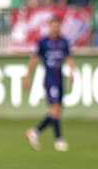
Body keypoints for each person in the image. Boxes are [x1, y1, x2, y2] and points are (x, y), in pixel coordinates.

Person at [24, 16, 75, 151]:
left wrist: (72, 72)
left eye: (58, 26)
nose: (56, 28)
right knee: (56, 109)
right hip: (49, 79)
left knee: (57, 111)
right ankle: (59, 140)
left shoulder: (63, 42)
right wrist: (28, 77)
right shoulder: (43, 42)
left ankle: (35, 132)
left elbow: (69, 58)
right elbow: (34, 59)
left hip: (59, 78)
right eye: (53, 26)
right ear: (49, 26)